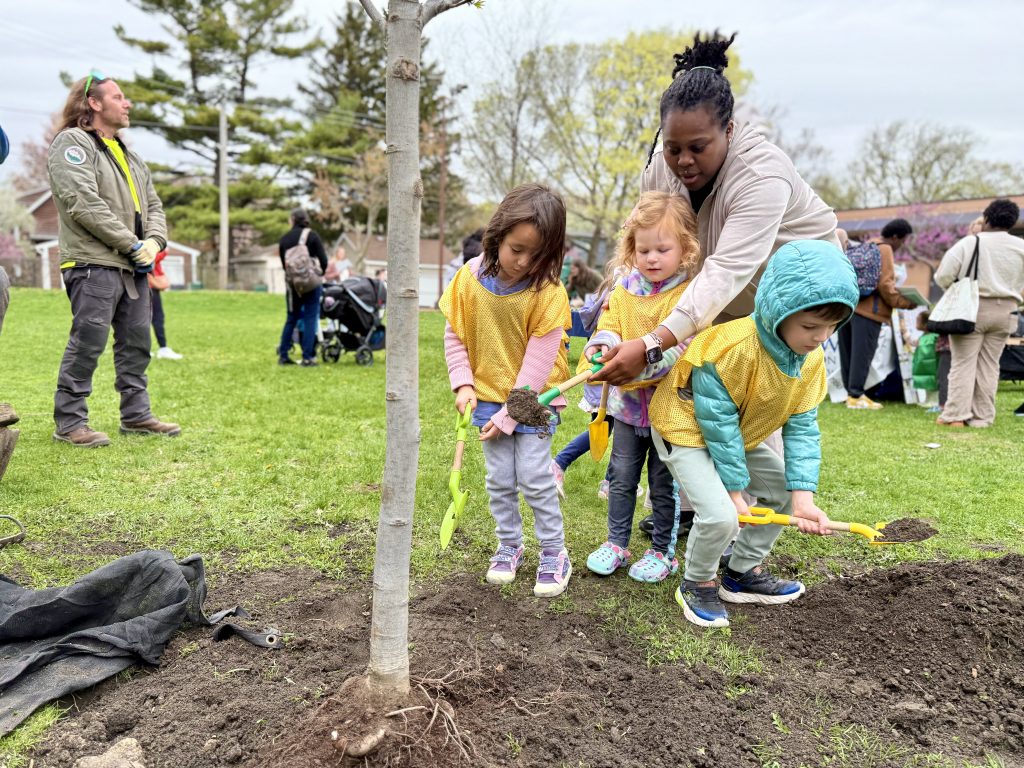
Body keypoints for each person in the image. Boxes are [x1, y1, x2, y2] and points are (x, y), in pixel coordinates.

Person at [593, 32, 844, 388]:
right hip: (714, 298)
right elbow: (641, 238)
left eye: (698, 147)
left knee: (756, 405)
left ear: (728, 129)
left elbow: (726, 270)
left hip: (789, 301)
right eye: (672, 147)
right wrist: (619, 299)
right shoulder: (659, 170)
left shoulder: (761, 175)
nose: (683, 161)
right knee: (696, 404)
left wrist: (652, 344)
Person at [650, 240, 859, 628]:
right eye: (810, 326)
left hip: (737, 435)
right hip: (687, 429)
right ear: (776, 311)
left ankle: (739, 572)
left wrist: (802, 499)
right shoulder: (731, 346)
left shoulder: (810, 360)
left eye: (830, 327)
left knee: (779, 490)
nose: (819, 337)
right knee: (719, 516)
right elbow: (717, 423)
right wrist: (733, 495)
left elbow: (802, 429)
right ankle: (697, 582)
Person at [439, 183, 573, 598]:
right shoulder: (467, 280)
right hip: (487, 395)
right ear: (497, 236)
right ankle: (509, 546)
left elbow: (538, 364)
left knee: (534, 477)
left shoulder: (547, 293)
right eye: (517, 249)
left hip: (534, 401)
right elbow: (455, 335)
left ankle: (554, 551)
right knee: (499, 480)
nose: (524, 262)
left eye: (538, 255)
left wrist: (508, 416)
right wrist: (463, 382)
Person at [47, 70, 179, 447]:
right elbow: (83, 203)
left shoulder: (129, 154)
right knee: (88, 342)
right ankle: (70, 423)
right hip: (93, 264)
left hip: (133, 265)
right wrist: (132, 244)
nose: (128, 103)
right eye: (119, 97)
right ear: (94, 103)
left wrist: (153, 242)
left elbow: (154, 205)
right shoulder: (73, 143)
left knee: (137, 344)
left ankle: (136, 416)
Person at [583, 192, 698, 583]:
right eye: (643, 249)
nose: (651, 258)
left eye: (662, 249)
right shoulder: (624, 288)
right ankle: (616, 542)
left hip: (669, 410)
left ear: (685, 249)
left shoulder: (690, 295)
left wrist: (645, 361)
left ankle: (662, 552)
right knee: (621, 476)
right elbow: (609, 324)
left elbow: (683, 344)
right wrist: (602, 346)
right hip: (628, 408)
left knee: (662, 483)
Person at [935, 199, 1024, 428]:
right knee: (990, 365)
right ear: (1013, 221)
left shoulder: (970, 243)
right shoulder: (1020, 246)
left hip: (972, 308)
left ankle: (956, 415)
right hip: (1007, 311)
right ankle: (982, 417)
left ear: (986, 218)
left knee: (963, 362)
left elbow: (943, 275)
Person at [837, 219, 918, 409]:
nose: (901, 245)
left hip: (850, 307)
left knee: (848, 353)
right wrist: (906, 302)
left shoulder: (866, 245)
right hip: (870, 311)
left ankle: (849, 394)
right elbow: (885, 285)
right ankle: (856, 395)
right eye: (903, 240)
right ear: (896, 237)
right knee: (862, 355)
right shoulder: (886, 249)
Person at [277, 208, 327, 366]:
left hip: (293, 285)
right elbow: (323, 260)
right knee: (310, 317)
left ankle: (283, 355)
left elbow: (284, 265)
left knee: (291, 318)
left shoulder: (284, 239)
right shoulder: (312, 236)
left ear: (291, 220)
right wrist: (318, 273)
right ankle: (308, 357)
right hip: (311, 283)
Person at [150, 250, 182, 360]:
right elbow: (150, 258)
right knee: (156, 318)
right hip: (148, 285)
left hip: (149, 285)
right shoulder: (146, 240)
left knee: (152, 318)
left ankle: (148, 349)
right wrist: (165, 252)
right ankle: (161, 348)